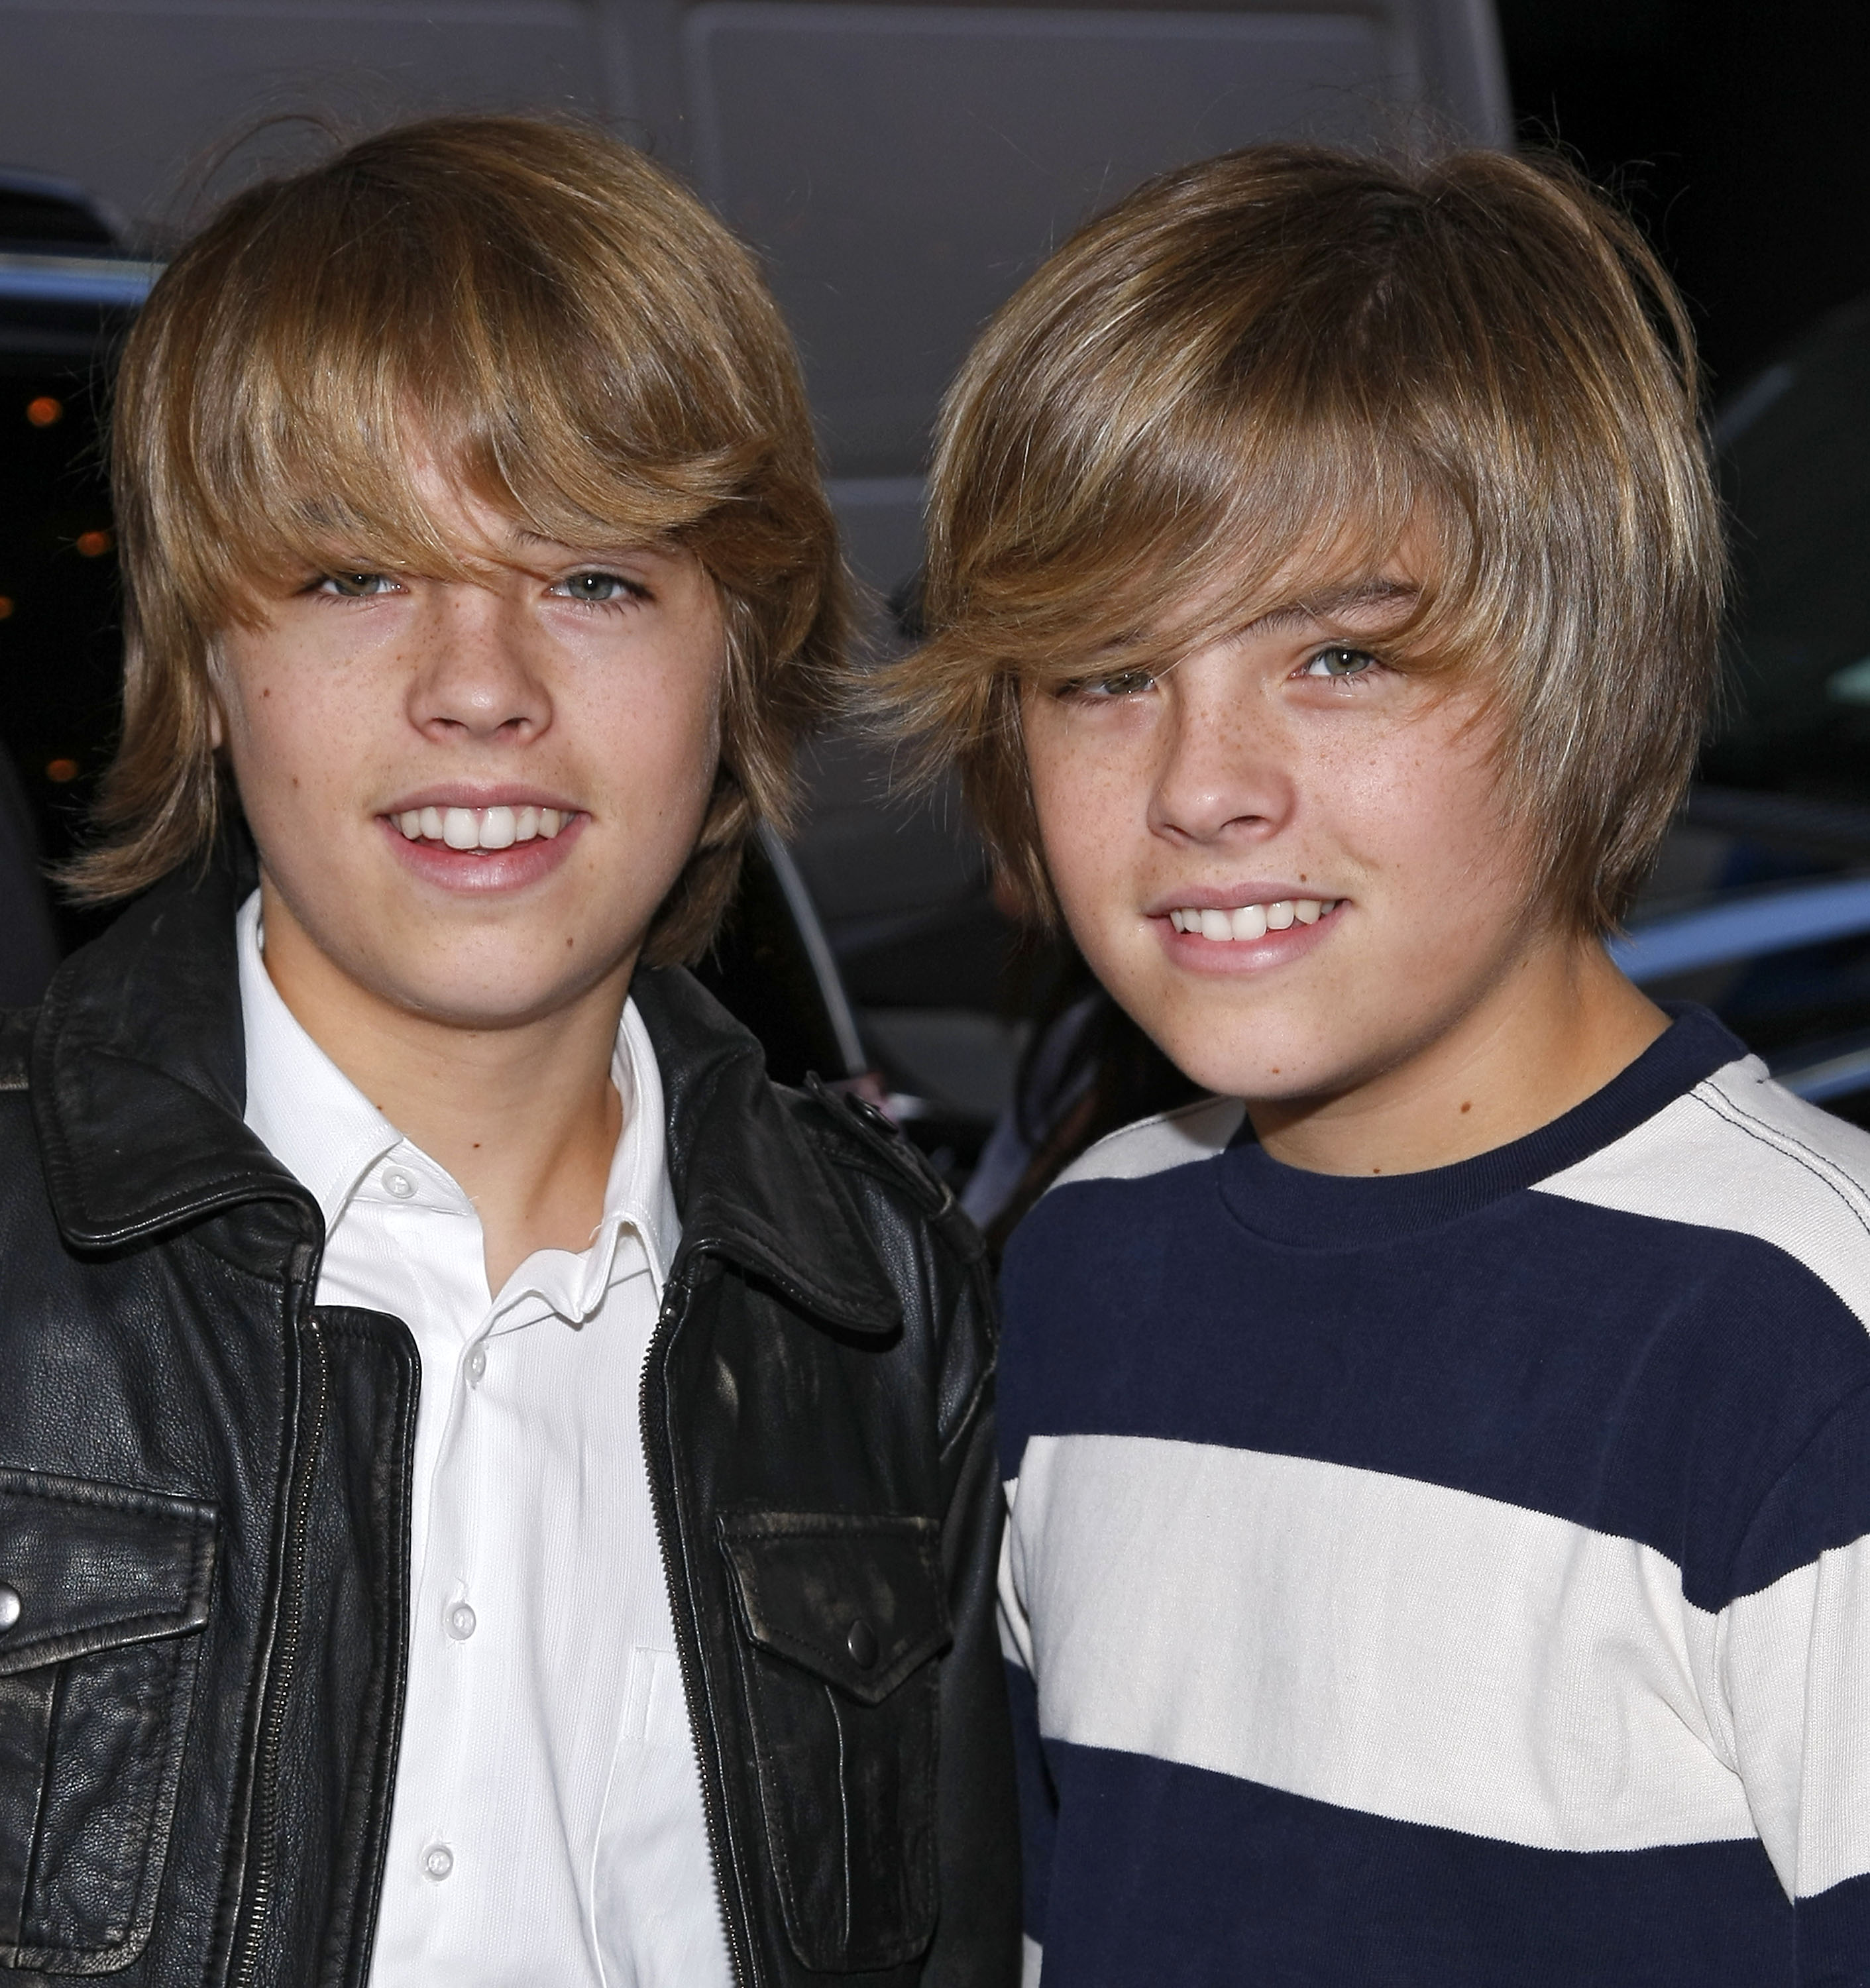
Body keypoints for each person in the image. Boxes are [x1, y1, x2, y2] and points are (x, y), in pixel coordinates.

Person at [0, 115, 1017, 1987]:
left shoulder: (883, 1313)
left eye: (599, 580)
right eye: (351, 576)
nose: (481, 681)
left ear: (737, 660)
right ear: (200, 663)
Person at [883, 142, 1870, 1984]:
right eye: (1104, 675)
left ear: (1600, 666)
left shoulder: (1804, 1338)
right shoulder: (1087, 1262)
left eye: (1340, 655)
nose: (1201, 785)